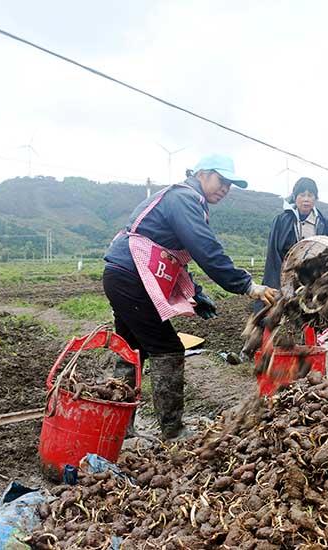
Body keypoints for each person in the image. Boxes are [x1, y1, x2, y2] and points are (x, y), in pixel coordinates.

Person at [103, 154, 276, 439]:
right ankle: (172, 431)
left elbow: (171, 258)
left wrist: (194, 292)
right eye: (222, 180)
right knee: (168, 348)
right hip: (132, 276)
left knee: (131, 351)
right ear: (203, 174)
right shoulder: (185, 198)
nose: (225, 189)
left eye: (230, 185)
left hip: (122, 273)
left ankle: (120, 428)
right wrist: (246, 284)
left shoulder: (180, 198)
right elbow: (205, 248)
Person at [258, 177, 328, 311]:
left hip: (314, 278)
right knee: (277, 311)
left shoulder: (323, 223)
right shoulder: (282, 221)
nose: (306, 199)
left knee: (312, 311)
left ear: (315, 198)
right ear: (295, 197)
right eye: (302, 195)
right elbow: (274, 253)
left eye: (310, 195)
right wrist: (278, 282)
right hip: (288, 274)